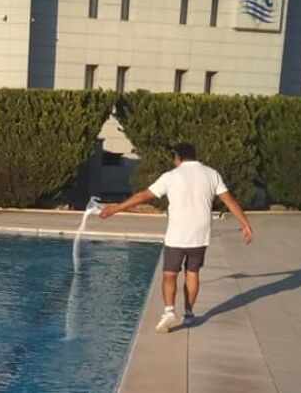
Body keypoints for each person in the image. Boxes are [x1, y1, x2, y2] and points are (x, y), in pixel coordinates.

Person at [99, 143, 253, 333]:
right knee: (192, 272)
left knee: (169, 274)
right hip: (200, 233)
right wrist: (245, 224)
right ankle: (188, 314)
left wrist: (114, 209)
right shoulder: (212, 174)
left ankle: (169, 311)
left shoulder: (171, 176)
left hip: (178, 234)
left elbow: (143, 196)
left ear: (178, 157)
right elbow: (229, 200)